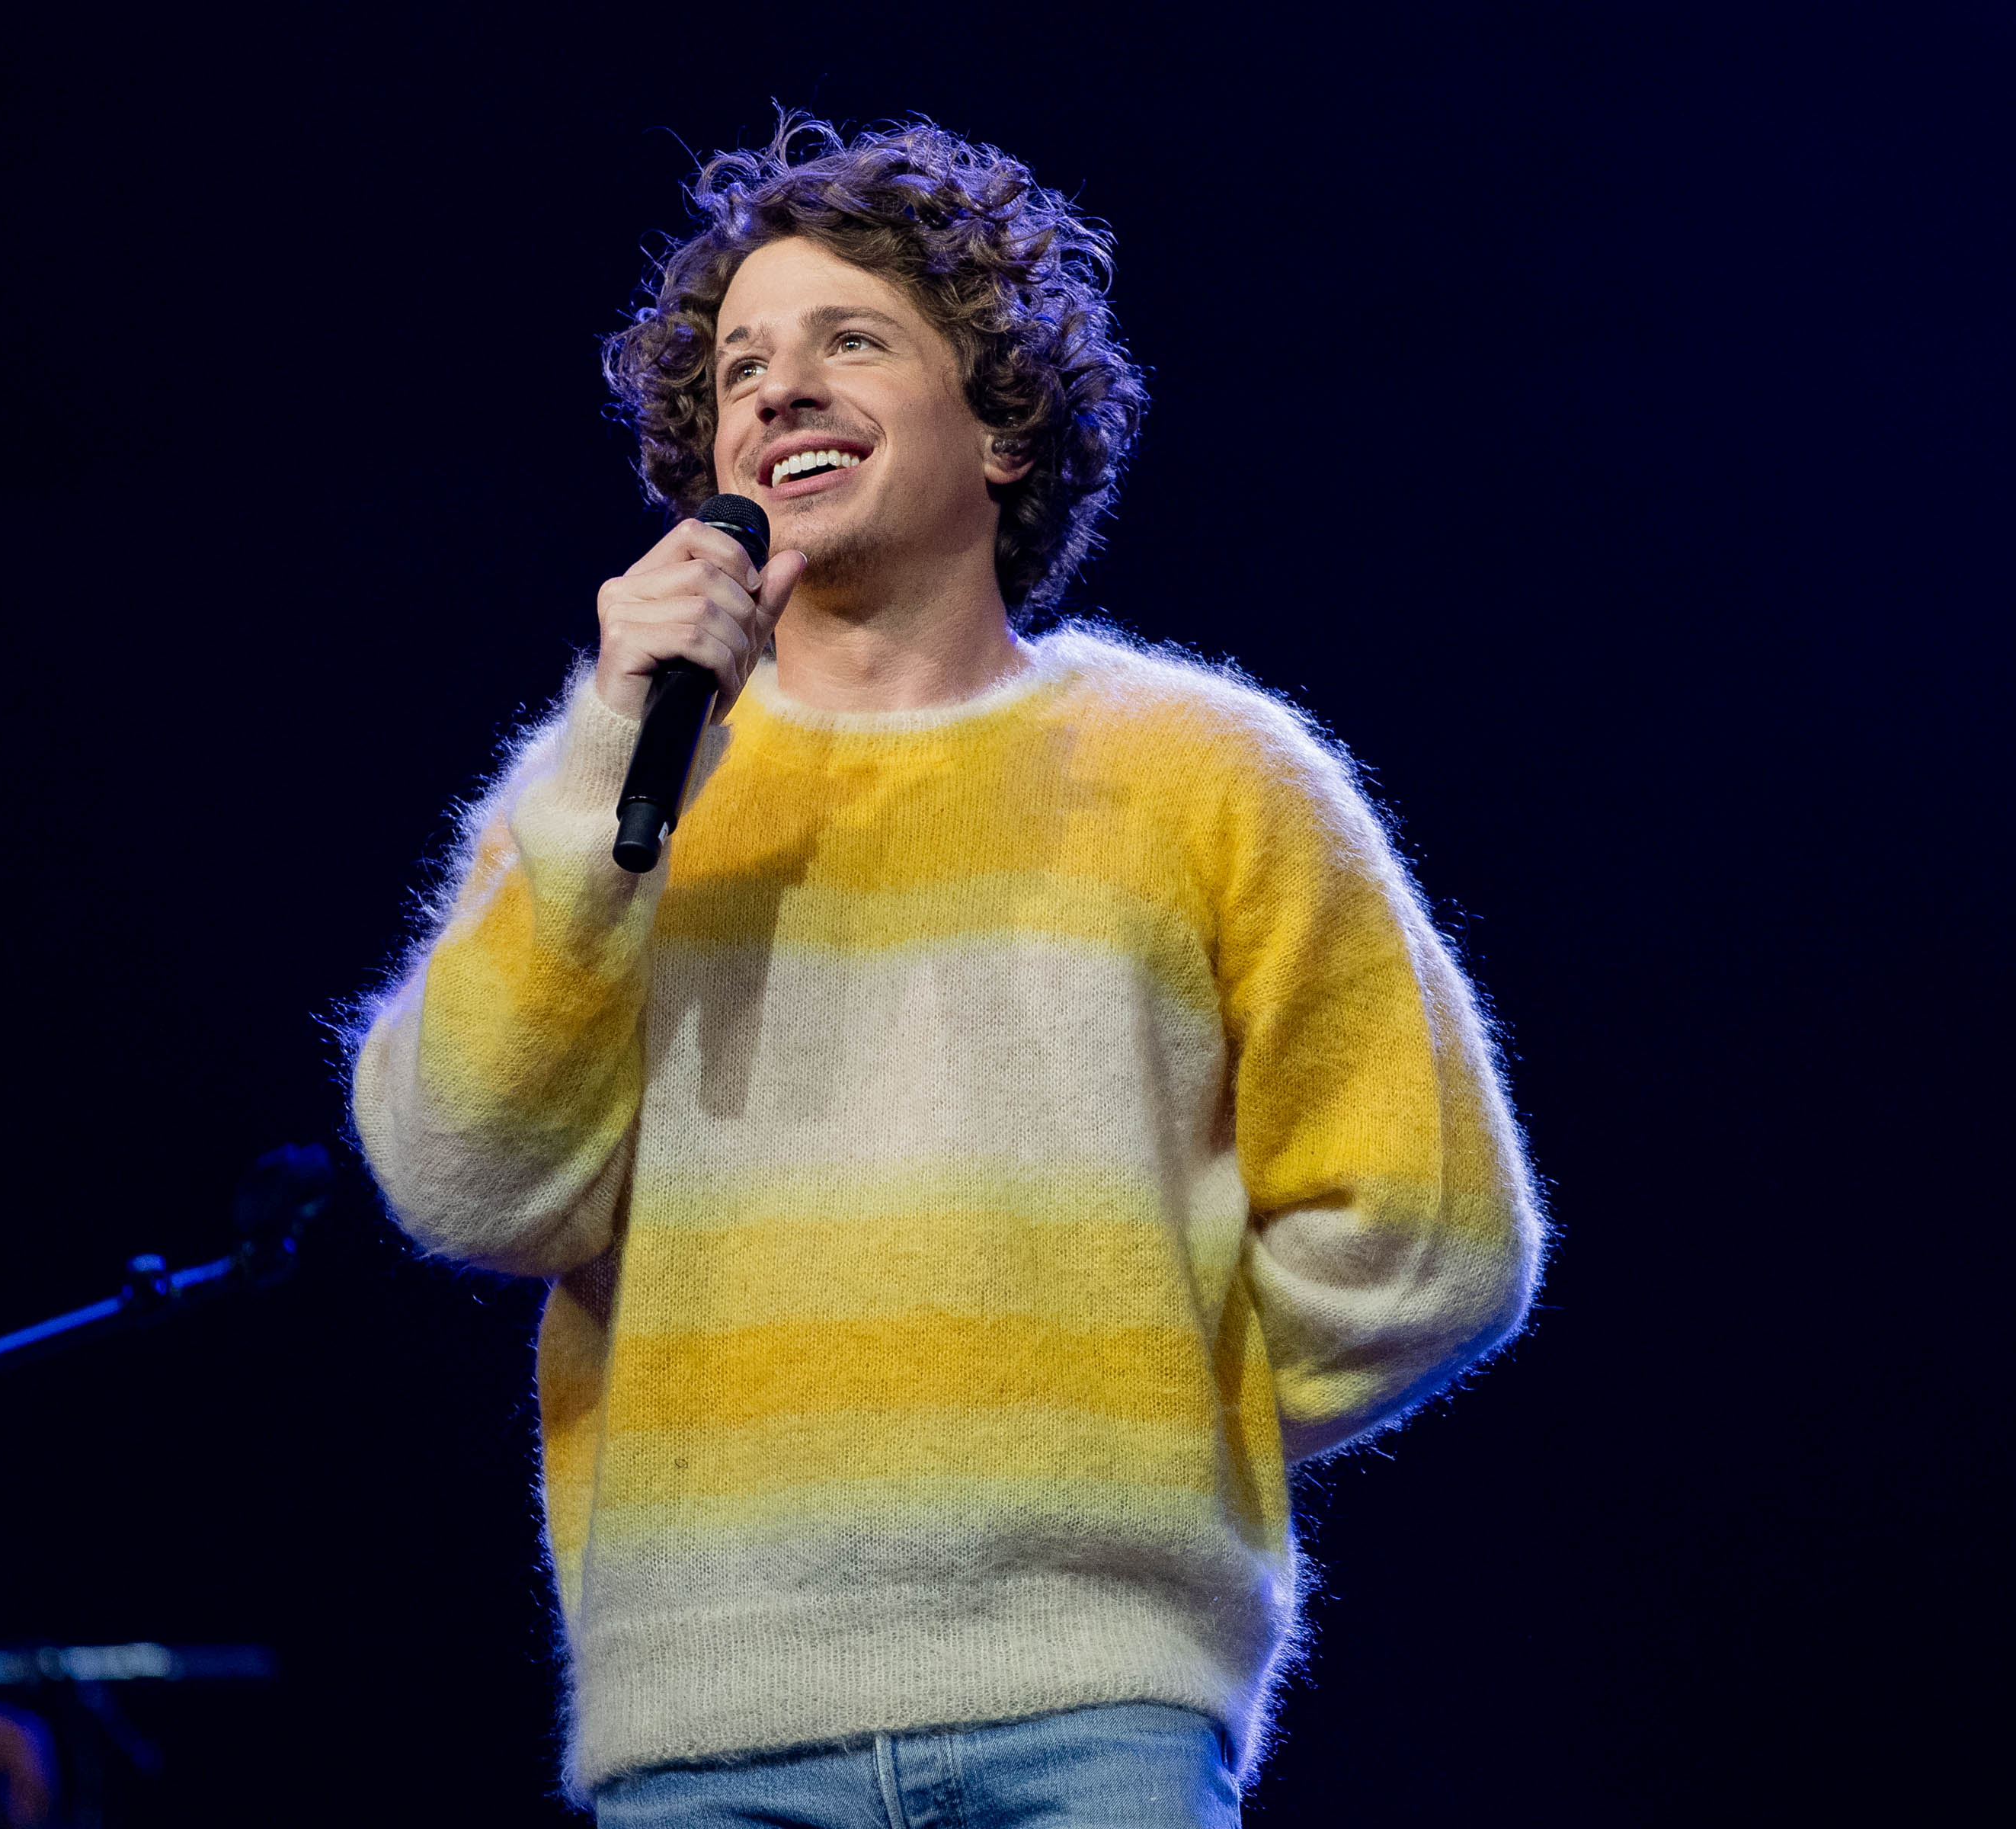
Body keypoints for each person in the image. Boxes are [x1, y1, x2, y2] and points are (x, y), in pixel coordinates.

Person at [348, 116, 1544, 1827]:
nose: (778, 390)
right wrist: (617, 757)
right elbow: (465, 1179)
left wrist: (1134, 1399)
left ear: (1000, 423)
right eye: (741, 368)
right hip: (709, 1724)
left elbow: (1432, 1230)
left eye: (853, 340)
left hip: (1092, 1710)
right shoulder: (620, 781)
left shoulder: (1206, 772)